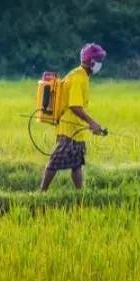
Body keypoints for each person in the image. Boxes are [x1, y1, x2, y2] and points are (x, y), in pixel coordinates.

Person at [40, 43, 107, 191]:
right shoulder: (78, 78)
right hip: (69, 128)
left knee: (76, 164)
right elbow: (75, 106)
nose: (100, 64)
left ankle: (79, 193)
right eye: (99, 60)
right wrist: (93, 123)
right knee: (55, 161)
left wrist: (91, 125)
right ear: (92, 62)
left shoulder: (82, 76)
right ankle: (41, 192)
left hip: (77, 129)